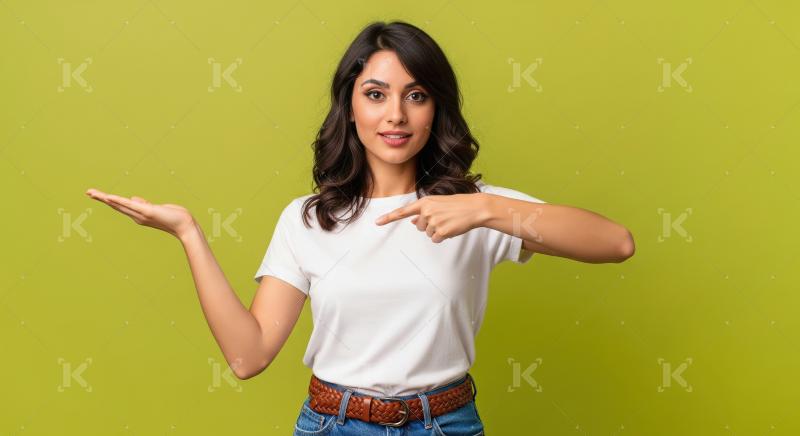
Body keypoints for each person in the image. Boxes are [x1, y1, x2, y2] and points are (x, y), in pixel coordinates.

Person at [85, 19, 634, 436]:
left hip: (446, 423)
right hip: (333, 423)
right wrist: (188, 233)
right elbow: (247, 357)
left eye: (415, 95)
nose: (395, 114)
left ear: (434, 109)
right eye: (376, 94)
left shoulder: (474, 207)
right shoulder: (309, 219)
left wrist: (488, 210)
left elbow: (616, 243)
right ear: (350, 106)